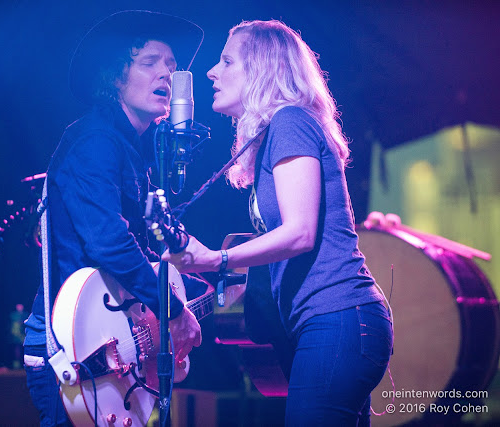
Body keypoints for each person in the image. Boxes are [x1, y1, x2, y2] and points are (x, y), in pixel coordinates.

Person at [163, 20, 393, 425]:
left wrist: (217, 259)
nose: (211, 72)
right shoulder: (277, 132)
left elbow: (300, 233)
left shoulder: (290, 121)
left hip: (337, 317)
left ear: (262, 69)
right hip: (329, 325)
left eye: (227, 60)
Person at [22, 11, 205, 426]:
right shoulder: (97, 139)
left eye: (172, 66)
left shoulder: (127, 145)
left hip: (102, 339)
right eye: (150, 62)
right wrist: (174, 311)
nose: (166, 73)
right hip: (75, 348)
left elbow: (133, 250)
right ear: (115, 78)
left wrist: (204, 285)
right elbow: (109, 242)